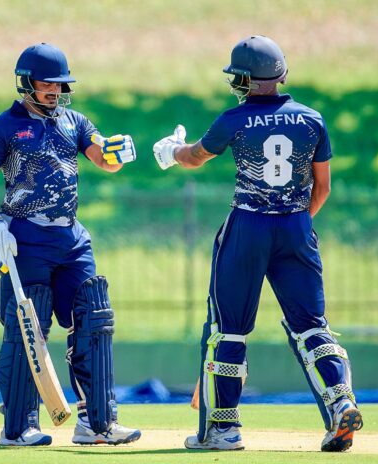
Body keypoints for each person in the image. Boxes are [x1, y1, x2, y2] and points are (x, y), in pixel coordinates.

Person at [153, 35, 362, 452]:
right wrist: (294, 226)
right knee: (312, 326)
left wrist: (171, 150)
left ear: (245, 80)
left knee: (228, 331)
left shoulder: (235, 119)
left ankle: (222, 430)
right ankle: (341, 403)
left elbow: (196, 157)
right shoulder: (312, 120)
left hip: (247, 227)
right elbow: (322, 187)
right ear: (281, 74)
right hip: (296, 226)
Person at [0, 43, 141, 446]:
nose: (55, 92)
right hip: (26, 237)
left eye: (60, 85)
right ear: (26, 83)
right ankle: (18, 426)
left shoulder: (74, 121)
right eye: (47, 84)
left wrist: (117, 154)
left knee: (94, 318)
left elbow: (103, 158)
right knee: (27, 326)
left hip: (71, 237)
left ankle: (97, 422)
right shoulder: (2, 127)